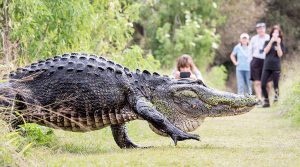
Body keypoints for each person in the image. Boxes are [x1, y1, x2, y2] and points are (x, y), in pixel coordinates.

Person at [261, 25, 285, 107]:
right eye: (274, 32)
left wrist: (278, 44)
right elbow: (265, 51)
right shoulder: (267, 41)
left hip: (276, 66)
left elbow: (280, 54)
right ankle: (266, 101)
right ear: (271, 33)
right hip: (267, 66)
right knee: (263, 84)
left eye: (277, 32)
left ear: (279, 34)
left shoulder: (281, 43)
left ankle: (276, 100)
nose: (275, 34)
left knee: (276, 85)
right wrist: (271, 42)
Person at [250, 22, 271, 105]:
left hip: (267, 61)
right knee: (257, 82)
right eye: (259, 29)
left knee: (268, 83)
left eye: (262, 28)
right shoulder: (254, 38)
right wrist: (251, 61)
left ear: (265, 29)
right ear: (257, 30)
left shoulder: (269, 37)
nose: (260, 30)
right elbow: (250, 50)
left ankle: (265, 98)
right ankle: (259, 99)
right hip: (256, 60)